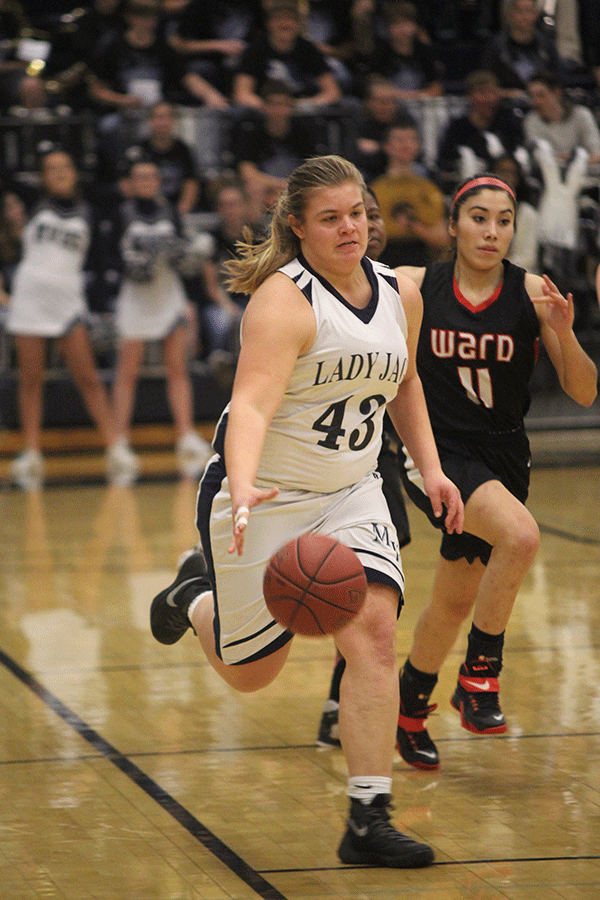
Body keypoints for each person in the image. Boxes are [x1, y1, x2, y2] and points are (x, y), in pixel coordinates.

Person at [149, 154, 463, 867]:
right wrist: (247, 482)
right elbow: (252, 405)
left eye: (358, 213)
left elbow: (406, 384)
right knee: (252, 671)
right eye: (331, 218)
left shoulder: (399, 293)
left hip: (352, 491)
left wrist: (431, 470)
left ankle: (367, 816)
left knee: (375, 634)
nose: (351, 228)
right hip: (266, 495)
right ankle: (192, 593)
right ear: (298, 227)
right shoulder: (283, 301)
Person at [394, 173, 597, 770]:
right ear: (453, 224)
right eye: (478, 217)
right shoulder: (414, 285)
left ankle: (409, 714)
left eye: (503, 220)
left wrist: (561, 329)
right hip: (437, 451)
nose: (491, 231)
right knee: (522, 535)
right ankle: (479, 678)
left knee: (453, 602)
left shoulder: (532, 291)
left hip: (505, 453)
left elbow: (584, 393)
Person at [316, 183, 412, 748]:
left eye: (372, 214)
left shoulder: (401, 291)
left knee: (372, 594)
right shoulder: (302, 295)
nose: (367, 224)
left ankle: (343, 697)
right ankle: (205, 584)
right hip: (303, 468)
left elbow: (409, 386)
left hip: (374, 469)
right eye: (354, 215)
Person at [4, 148, 139, 488]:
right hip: (30, 299)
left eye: (65, 166)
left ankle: (115, 446)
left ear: (75, 172)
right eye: (52, 168)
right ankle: (31, 452)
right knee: (30, 381)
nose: (60, 172)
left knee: (89, 378)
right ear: (43, 176)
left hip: (67, 301)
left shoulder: (89, 210)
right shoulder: (33, 200)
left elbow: (98, 261)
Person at [111, 155, 214, 478]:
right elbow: (114, 259)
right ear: (130, 182)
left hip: (169, 295)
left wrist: (189, 255)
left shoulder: (171, 211)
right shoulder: (121, 214)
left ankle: (185, 435)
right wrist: (139, 265)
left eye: (151, 176)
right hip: (135, 298)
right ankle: (119, 440)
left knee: (177, 369)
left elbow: (185, 256)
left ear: (158, 181)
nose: (146, 181)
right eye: (139, 176)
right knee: (127, 371)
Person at [231, 0, 342, 112]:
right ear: (268, 23)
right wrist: (271, 108)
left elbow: (332, 92)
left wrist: (303, 105)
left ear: (299, 24)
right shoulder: (255, 49)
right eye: (278, 19)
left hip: (302, 112)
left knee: (349, 105)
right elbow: (241, 93)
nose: (285, 24)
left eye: (290, 19)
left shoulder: (308, 49)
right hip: (263, 113)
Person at [370, 115, 450, 268]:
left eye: (411, 139)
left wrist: (413, 225)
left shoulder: (429, 188)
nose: (405, 145)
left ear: (418, 146)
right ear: (386, 146)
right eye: (399, 140)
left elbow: (443, 239)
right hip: (381, 264)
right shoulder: (374, 188)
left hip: (421, 264)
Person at [435, 69, 526, 192]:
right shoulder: (458, 126)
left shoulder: (507, 121)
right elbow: (446, 159)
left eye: (492, 92)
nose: (488, 98)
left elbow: (516, 148)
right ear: (470, 95)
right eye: (482, 93)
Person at [355, 1, 443, 103]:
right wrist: (416, 96)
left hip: (421, 106)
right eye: (396, 24)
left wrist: (416, 97)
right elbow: (376, 90)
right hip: (391, 107)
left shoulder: (424, 51)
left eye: (407, 23)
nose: (403, 30)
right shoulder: (380, 52)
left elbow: (436, 87)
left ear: (415, 26)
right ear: (388, 28)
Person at [479, 0, 561, 101]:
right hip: (507, 104)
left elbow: (558, 80)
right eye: (519, 11)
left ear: (536, 14)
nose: (524, 16)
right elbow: (486, 85)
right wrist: (507, 94)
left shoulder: (546, 45)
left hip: (542, 103)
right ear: (510, 13)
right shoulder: (496, 47)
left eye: (528, 11)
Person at [523, 69, 600, 166]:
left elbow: (597, 152)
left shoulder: (582, 114)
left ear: (556, 93)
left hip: (588, 172)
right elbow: (537, 158)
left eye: (540, 95)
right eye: (532, 96)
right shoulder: (531, 121)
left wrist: (573, 161)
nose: (536, 101)